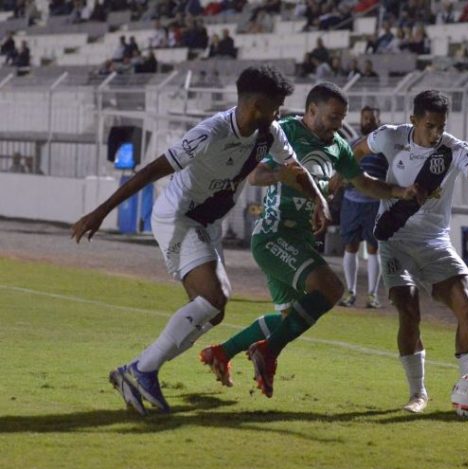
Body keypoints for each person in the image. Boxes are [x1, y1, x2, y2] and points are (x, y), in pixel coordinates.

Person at [71, 66, 327, 416]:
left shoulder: (271, 133)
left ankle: (137, 369)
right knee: (214, 296)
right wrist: (99, 212)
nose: (280, 113)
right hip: (178, 216)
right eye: (276, 106)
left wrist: (319, 199)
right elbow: (150, 170)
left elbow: (296, 169)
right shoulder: (211, 132)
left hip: (206, 223)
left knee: (213, 311)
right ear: (256, 105)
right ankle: (142, 370)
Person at [199, 82, 418, 396]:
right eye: (331, 117)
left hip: (299, 242)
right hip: (274, 234)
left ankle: (221, 353)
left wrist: (398, 192)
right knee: (331, 288)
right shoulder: (284, 132)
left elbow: (364, 183)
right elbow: (255, 175)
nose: (337, 124)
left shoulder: (339, 146)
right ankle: (267, 353)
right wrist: (282, 175)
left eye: (341, 118)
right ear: (311, 110)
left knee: (290, 320)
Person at [351, 90, 468, 414]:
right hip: (394, 239)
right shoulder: (390, 137)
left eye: (441, 126)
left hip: (435, 242)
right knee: (408, 311)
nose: (436, 133)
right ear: (414, 120)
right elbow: (355, 150)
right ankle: (417, 394)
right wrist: (343, 177)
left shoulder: (454, 150)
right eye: (429, 125)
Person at [338, 106, 388, 309]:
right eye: (364, 117)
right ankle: (350, 292)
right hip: (351, 201)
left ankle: (372, 295)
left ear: (378, 120)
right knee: (350, 246)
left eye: (371, 118)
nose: (367, 121)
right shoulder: (353, 144)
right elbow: (342, 171)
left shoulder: (384, 147)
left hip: (375, 203)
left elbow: (391, 174)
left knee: (374, 248)